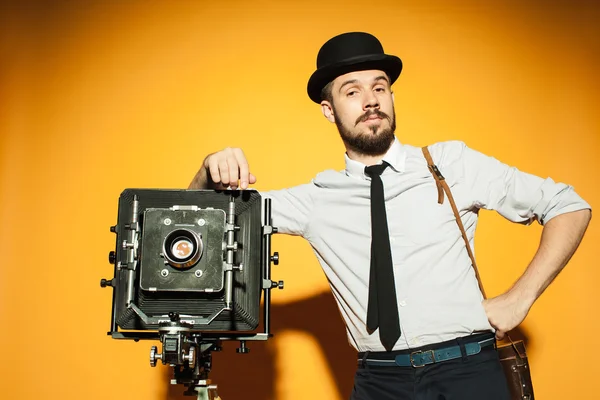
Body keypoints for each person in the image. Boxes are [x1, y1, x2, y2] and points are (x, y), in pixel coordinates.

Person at [188, 32, 591, 400]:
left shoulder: (449, 163)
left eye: (380, 87)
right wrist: (209, 169)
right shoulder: (316, 199)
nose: (371, 100)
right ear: (329, 110)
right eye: (352, 91)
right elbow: (198, 222)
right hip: (380, 382)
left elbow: (569, 205)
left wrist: (519, 299)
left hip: (469, 370)